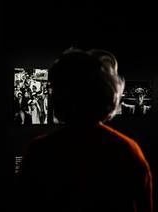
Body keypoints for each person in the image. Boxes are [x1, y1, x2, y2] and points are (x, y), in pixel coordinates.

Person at [18, 48, 152, 212]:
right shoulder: (128, 150)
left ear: (64, 96)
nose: (51, 96)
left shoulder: (40, 152)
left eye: (55, 89)